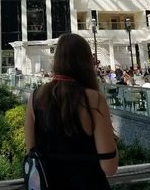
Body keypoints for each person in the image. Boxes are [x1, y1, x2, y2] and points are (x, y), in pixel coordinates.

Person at [25, 33, 118, 189]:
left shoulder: (35, 98)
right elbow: (109, 167)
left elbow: (31, 154)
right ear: (87, 62)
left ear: (56, 61)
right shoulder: (94, 100)